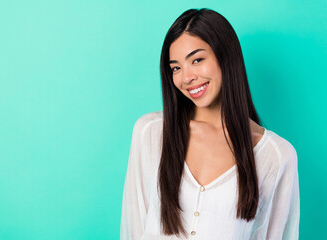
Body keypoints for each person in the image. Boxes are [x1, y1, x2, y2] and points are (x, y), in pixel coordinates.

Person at [120, 8, 300, 240]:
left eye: (197, 60)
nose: (186, 78)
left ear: (226, 57)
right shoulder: (151, 133)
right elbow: (132, 229)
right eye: (176, 67)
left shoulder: (276, 156)